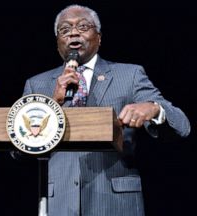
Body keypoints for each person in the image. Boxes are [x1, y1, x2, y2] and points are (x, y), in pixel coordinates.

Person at [22, 4, 191, 216]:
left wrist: (154, 109)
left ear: (99, 38)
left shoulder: (129, 75)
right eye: (65, 30)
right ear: (57, 43)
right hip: (59, 203)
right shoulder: (37, 85)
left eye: (83, 26)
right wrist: (53, 102)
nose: (74, 32)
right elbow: (17, 150)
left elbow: (182, 126)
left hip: (114, 202)